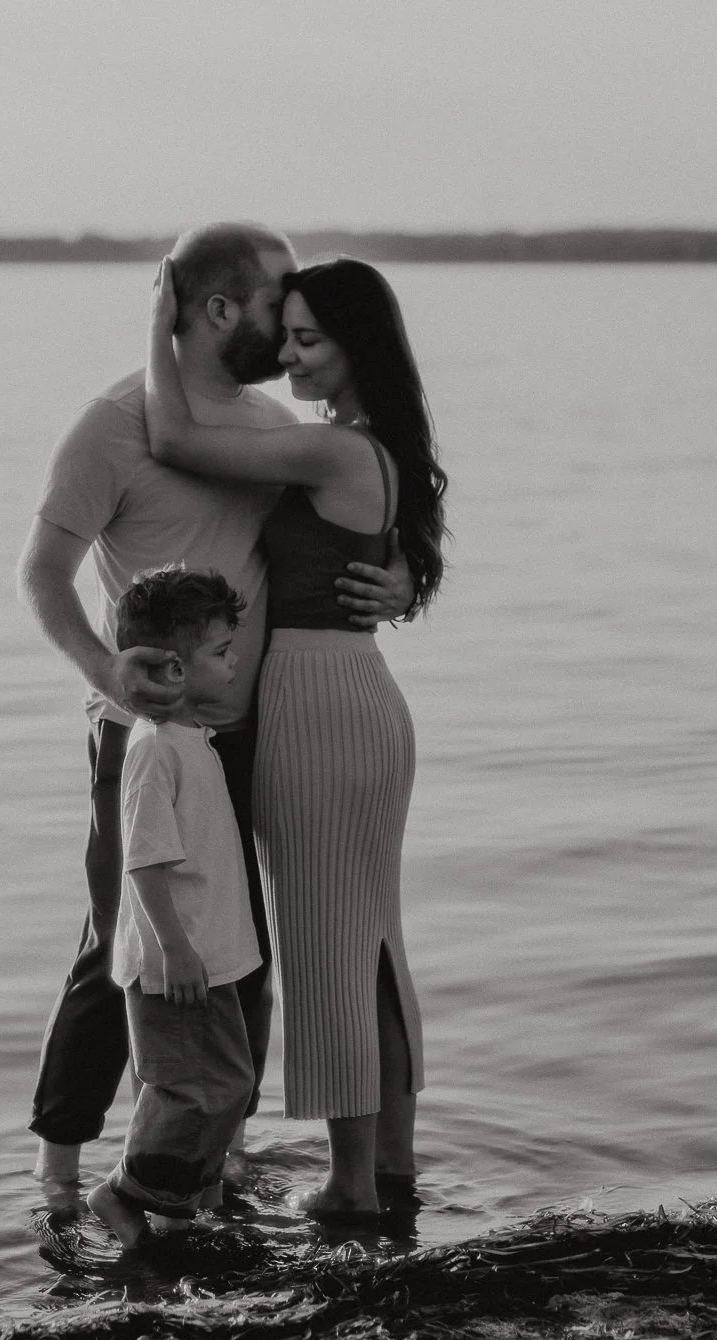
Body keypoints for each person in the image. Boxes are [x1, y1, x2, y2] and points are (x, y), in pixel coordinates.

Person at [18, 222, 413, 1209]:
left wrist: (403, 578)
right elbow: (40, 573)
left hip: (252, 729)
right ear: (219, 309)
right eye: (278, 298)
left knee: (240, 950)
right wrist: (109, 669)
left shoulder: (268, 424)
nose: (289, 321)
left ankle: (205, 1153)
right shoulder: (112, 422)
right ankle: (61, 1164)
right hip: (142, 731)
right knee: (123, 940)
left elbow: (361, 506)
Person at [145, 254, 447, 1218]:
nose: (289, 355)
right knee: (370, 942)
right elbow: (398, 563)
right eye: (290, 334)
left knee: (325, 949)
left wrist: (166, 322)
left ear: (361, 348)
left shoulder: (334, 452)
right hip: (361, 696)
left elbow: (176, 435)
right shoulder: (380, 452)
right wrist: (406, 586)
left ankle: (350, 1187)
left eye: (310, 339)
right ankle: (392, 1166)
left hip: (318, 705)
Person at [83, 566, 261, 1250]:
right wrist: (174, 947)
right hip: (175, 961)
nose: (234, 660)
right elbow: (145, 858)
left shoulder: (193, 740)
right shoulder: (157, 749)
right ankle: (123, 1194)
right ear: (177, 668)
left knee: (229, 1083)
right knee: (189, 1089)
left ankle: (183, 1199)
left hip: (210, 957)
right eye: (221, 651)